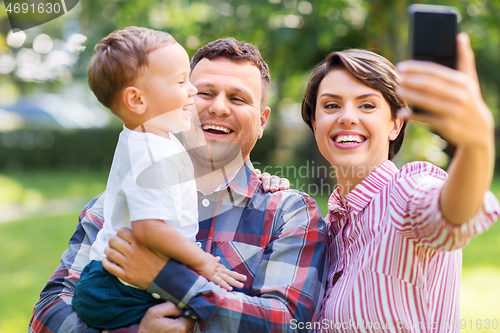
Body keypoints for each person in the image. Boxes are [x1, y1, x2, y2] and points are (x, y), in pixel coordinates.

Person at [30, 37, 327, 333]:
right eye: (204, 92)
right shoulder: (111, 207)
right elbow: (49, 312)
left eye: (237, 98)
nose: (219, 107)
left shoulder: (287, 213)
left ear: (262, 121)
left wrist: (166, 277)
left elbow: (290, 324)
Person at [301, 33, 499, 332]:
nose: (347, 117)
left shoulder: (406, 192)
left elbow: (454, 213)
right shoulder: (328, 228)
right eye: (331, 106)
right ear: (315, 124)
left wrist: (475, 143)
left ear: (395, 124)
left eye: (367, 106)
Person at [70, 27, 247, 330]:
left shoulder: (151, 138)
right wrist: (202, 263)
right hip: (116, 287)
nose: (192, 91)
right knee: (193, 314)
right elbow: (149, 229)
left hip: (116, 280)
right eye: (181, 82)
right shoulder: (152, 153)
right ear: (137, 100)